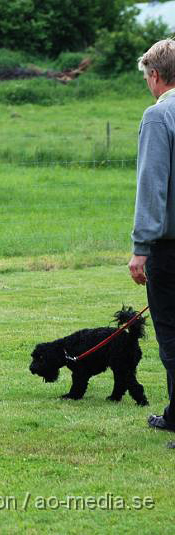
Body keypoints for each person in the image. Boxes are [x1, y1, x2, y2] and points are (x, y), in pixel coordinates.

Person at [128, 39, 175, 436]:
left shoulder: (159, 117)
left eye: (146, 77)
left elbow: (152, 187)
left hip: (170, 250)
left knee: (173, 335)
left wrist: (141, 249)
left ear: (156, 76)